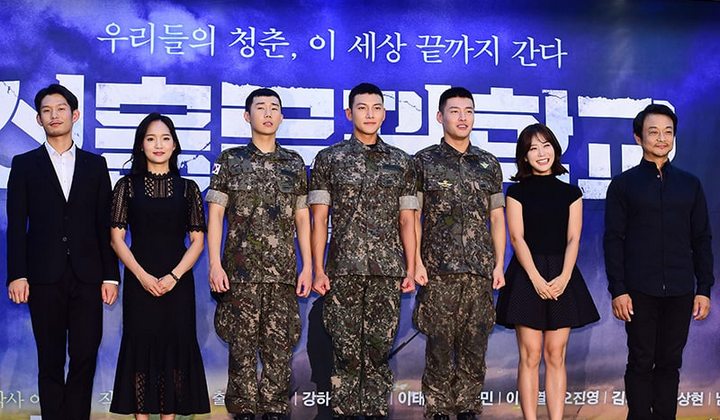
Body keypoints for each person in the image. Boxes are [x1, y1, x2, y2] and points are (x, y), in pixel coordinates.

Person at [6, 83, 120, 419]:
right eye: (46, 111)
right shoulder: (24, 164)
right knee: (50, 359)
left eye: (60, 109)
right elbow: (17, 224)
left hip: (88, 275)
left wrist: (110, 276)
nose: (54, 115)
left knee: (85, 355)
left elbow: (103, 224)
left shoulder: (95, 165)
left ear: (75, 114)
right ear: (39, 119)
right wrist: (17, 274)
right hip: (43, 276)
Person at [308, 82, 418, 420]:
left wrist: (411, 267)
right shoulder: (329, 159)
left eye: (376, 108)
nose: (369, 114)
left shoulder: (402, 162)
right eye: (362, 107)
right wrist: (318, 269)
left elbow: (407, 220)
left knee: (378, 352)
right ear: (348, 113)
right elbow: (319, 219)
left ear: (384, 114)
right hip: (343, 270)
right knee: (344, 353)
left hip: (387, 271)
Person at [206, 88, 312, 420]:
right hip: (240, 275)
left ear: (281, 116)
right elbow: (216, 217)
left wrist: (308, 266)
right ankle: (244, 411)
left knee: (280, 351)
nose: (267, 113)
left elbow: (302, 218)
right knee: (241, 351)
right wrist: (214, 265)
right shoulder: (230, 161)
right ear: (246, 115)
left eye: (274, 108)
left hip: (282, 275)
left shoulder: (293, 164)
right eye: (260, 107)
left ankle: (275, 410)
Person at [604, 104, 714, 419]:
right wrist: (618, 289)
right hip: (639, 289)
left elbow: (702, 239)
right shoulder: (624, 184)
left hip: (680, 289)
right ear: (638, 137)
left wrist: (703, 289)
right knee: (640, 361)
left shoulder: (690, 184)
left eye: (668, 132)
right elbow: (613, 240)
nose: (661, 138)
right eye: (653, 132)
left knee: (670, 362)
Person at [108, 113, 210, 417]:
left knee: (175, 350)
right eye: (151, 138)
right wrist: (142, 276)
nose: (158, 145)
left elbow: (198, 241)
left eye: (165, 138)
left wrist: (173, 277)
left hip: (177, 283)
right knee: (140, 348)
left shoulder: (188, 188)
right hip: (140, 281)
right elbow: (116, 239)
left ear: (175, 145)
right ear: (141, 145)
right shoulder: (126, 186)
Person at [495, 123, 599, 420]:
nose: (541, 153)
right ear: (524, 156)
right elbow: (517, 238)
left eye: (546, 145)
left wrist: (564, 277)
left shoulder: (571, 193)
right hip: (527, 275)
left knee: (556, 354)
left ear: (555, 149)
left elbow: (574, 238)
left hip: (562, 273)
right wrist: (536, 279)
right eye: (533, 148)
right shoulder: (516, 192)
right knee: (530, 354)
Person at [413, 86, 505, 420]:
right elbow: (413, 217)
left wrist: (499, 264)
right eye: (455, 111)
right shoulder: (423, 162)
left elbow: (497, 217)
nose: (462, 118)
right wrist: (416, 262)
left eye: (468, 111)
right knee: (438, 345)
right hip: (438, 271)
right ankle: (437, 409)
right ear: (440, 117)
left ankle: (468, 408)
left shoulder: (488, 164)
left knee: (475, 345)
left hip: (480, 271)